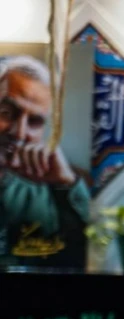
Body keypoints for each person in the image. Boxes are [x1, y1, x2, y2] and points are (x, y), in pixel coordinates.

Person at [0, 55, 90, 267]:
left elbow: (84, 259)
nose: (19, 133)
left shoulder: (54, 189)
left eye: (34, 121)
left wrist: (65, 185)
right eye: (6, 112)